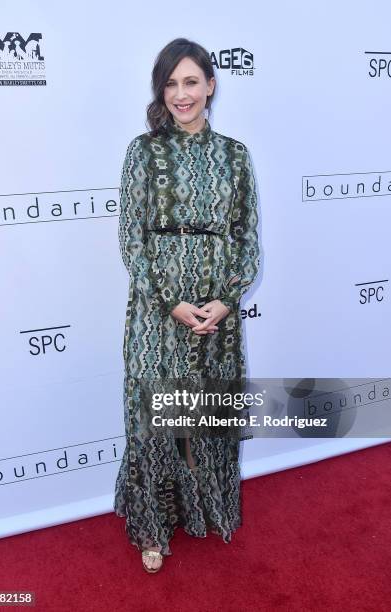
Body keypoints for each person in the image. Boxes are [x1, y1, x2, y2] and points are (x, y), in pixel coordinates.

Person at [114, 37, 260, 573]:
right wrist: (171, 302)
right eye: (171, 83)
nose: (182, 94)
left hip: (217, 314)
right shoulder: (143, 151)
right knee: (155, 418)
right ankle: (152, 527)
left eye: (191, 81)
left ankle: (206, 510)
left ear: (211, 86)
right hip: (158, 313)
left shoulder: (236, 155)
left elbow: (246, 239)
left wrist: (224, 301)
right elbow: (133, 239)